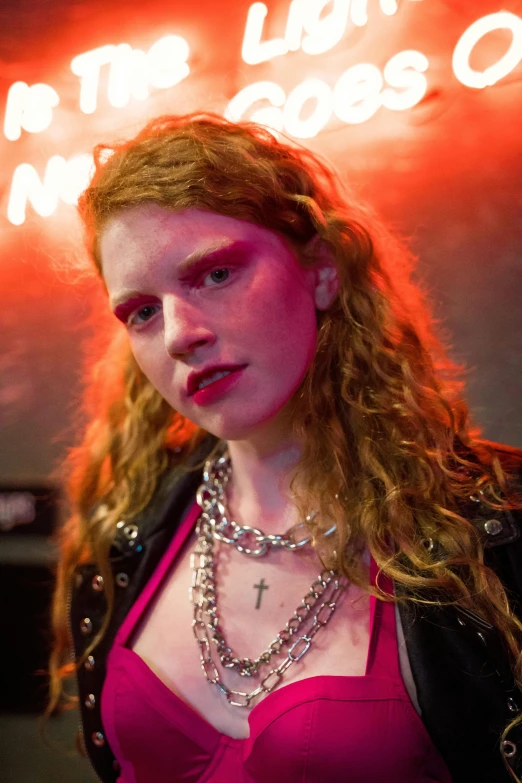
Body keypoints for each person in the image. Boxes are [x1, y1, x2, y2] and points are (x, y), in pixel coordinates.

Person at [47, 112, 522, 783]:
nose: (180, 334)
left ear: (322, 272)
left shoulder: (490, 526)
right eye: (142, 312)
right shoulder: (125, 538)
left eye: (215, 274)